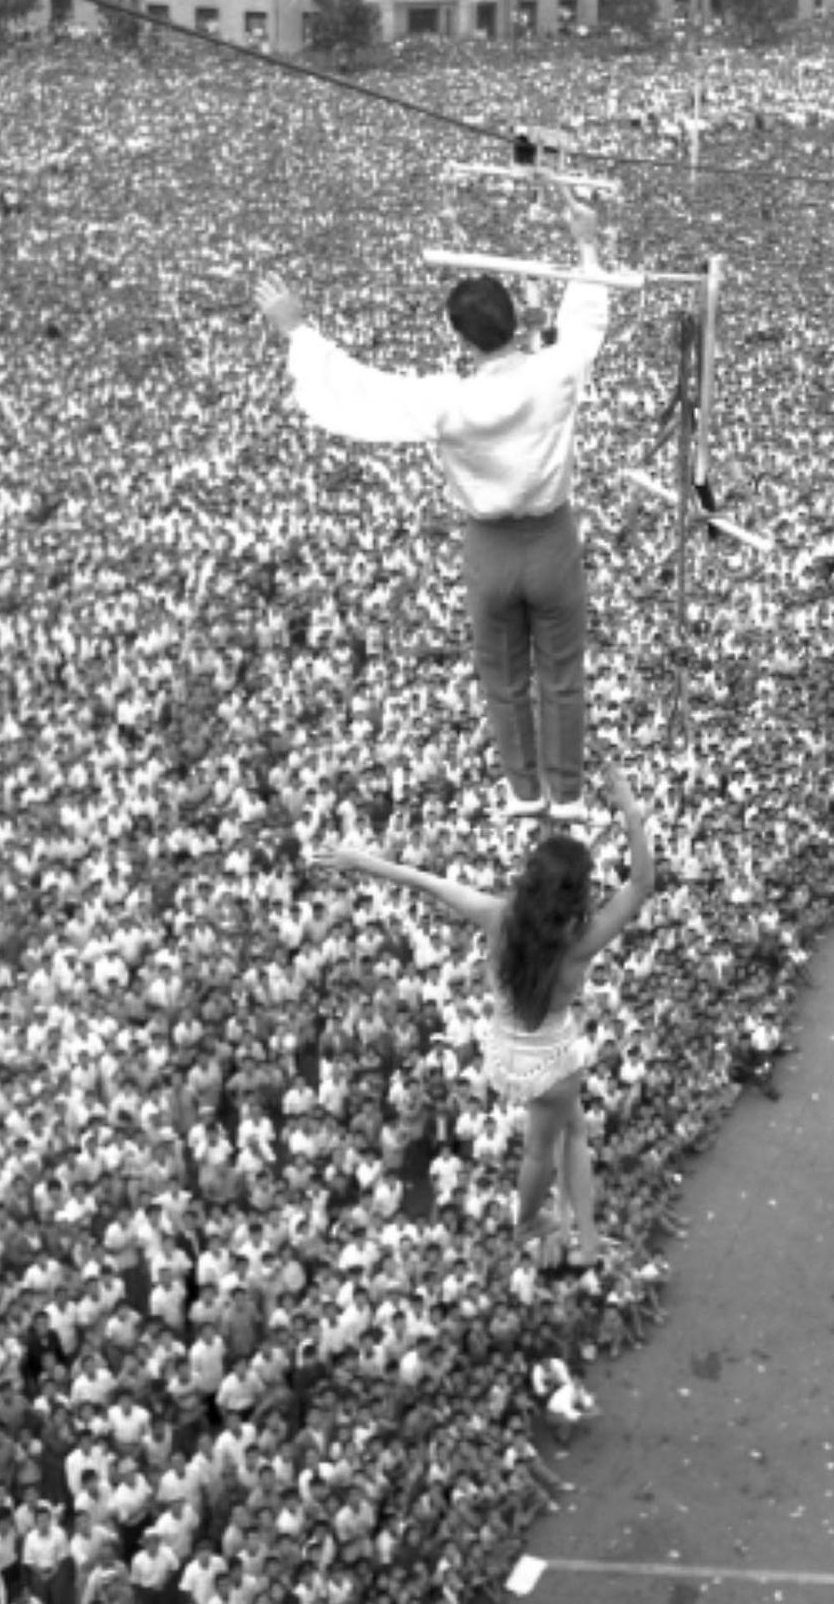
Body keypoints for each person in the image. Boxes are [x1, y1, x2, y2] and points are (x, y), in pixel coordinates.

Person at [254, 184, 613, 822]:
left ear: (462, 337)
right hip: (552, 537)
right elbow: (585, 320)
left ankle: (524, 792)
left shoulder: (445, 400)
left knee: (503, 677)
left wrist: (298, 331)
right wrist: (585, 243)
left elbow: (359, 391)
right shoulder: (555, 373)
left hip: (491, 547)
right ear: (517, 321)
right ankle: (569, 795)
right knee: (562, 673)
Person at [311, 759, 653, 1267]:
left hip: (505, 1053)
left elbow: (426, 881)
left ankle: (584, 1238)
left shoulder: (498, 918)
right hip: (552, 1061)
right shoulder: (582, 942)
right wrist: (628, 809)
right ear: (577, 898)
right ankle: (531, 1222)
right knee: (549, 1145)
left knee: (568, 1133)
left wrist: (361, 862)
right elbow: (642, 885)